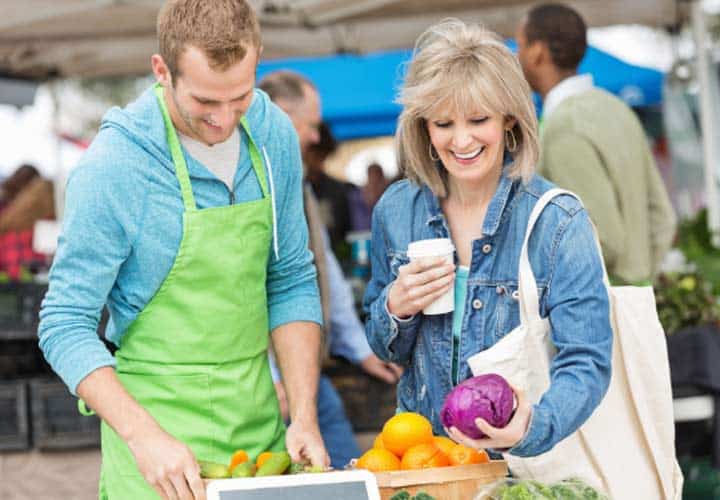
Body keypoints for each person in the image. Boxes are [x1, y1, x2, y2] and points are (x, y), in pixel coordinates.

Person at [38, 1, 328, 498]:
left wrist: (303, 415)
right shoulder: (115, 166)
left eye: (238, 97)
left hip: (260, 440)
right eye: (204, 102)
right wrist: (144, 437)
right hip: (154, 447)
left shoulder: (274, 131)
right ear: (161, 71)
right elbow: (64, 323)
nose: (223, 121)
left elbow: (291, 277)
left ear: (257, 58)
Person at [364, 19, 613, 457]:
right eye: (443, 124)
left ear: (510, 120)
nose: (461, 140)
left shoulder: (557, 222)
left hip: (525, 469)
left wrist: (532, 426)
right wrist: (394, 307)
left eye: (478, 120)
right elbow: (389, 350)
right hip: (428, 463)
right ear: (423, 127)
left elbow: (587, 360)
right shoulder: (397, 210)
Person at [259, 70, 402, 468]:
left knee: (345, 467)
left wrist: (360, 350)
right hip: (263, 377)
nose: (317, 137)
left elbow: (324, 273)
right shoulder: (247, 183)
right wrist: (271, 372)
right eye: (311, 124)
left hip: (304, 370)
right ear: (282, 116)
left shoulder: (297, 182)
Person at [515, 3, 676, 284]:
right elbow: (663, 219)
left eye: (520, 46)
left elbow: (602, 239)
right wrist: (641, 281)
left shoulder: (565, 126)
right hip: (635, 300)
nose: (517, 57)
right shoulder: (617, 109)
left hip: (596, 308)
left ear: (538, 51)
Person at [303, 121, 355, 253]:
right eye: (314, 154)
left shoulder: (337, 190)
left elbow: (346, 233)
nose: (317, 161)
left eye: (322, 155)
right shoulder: (296, 188)